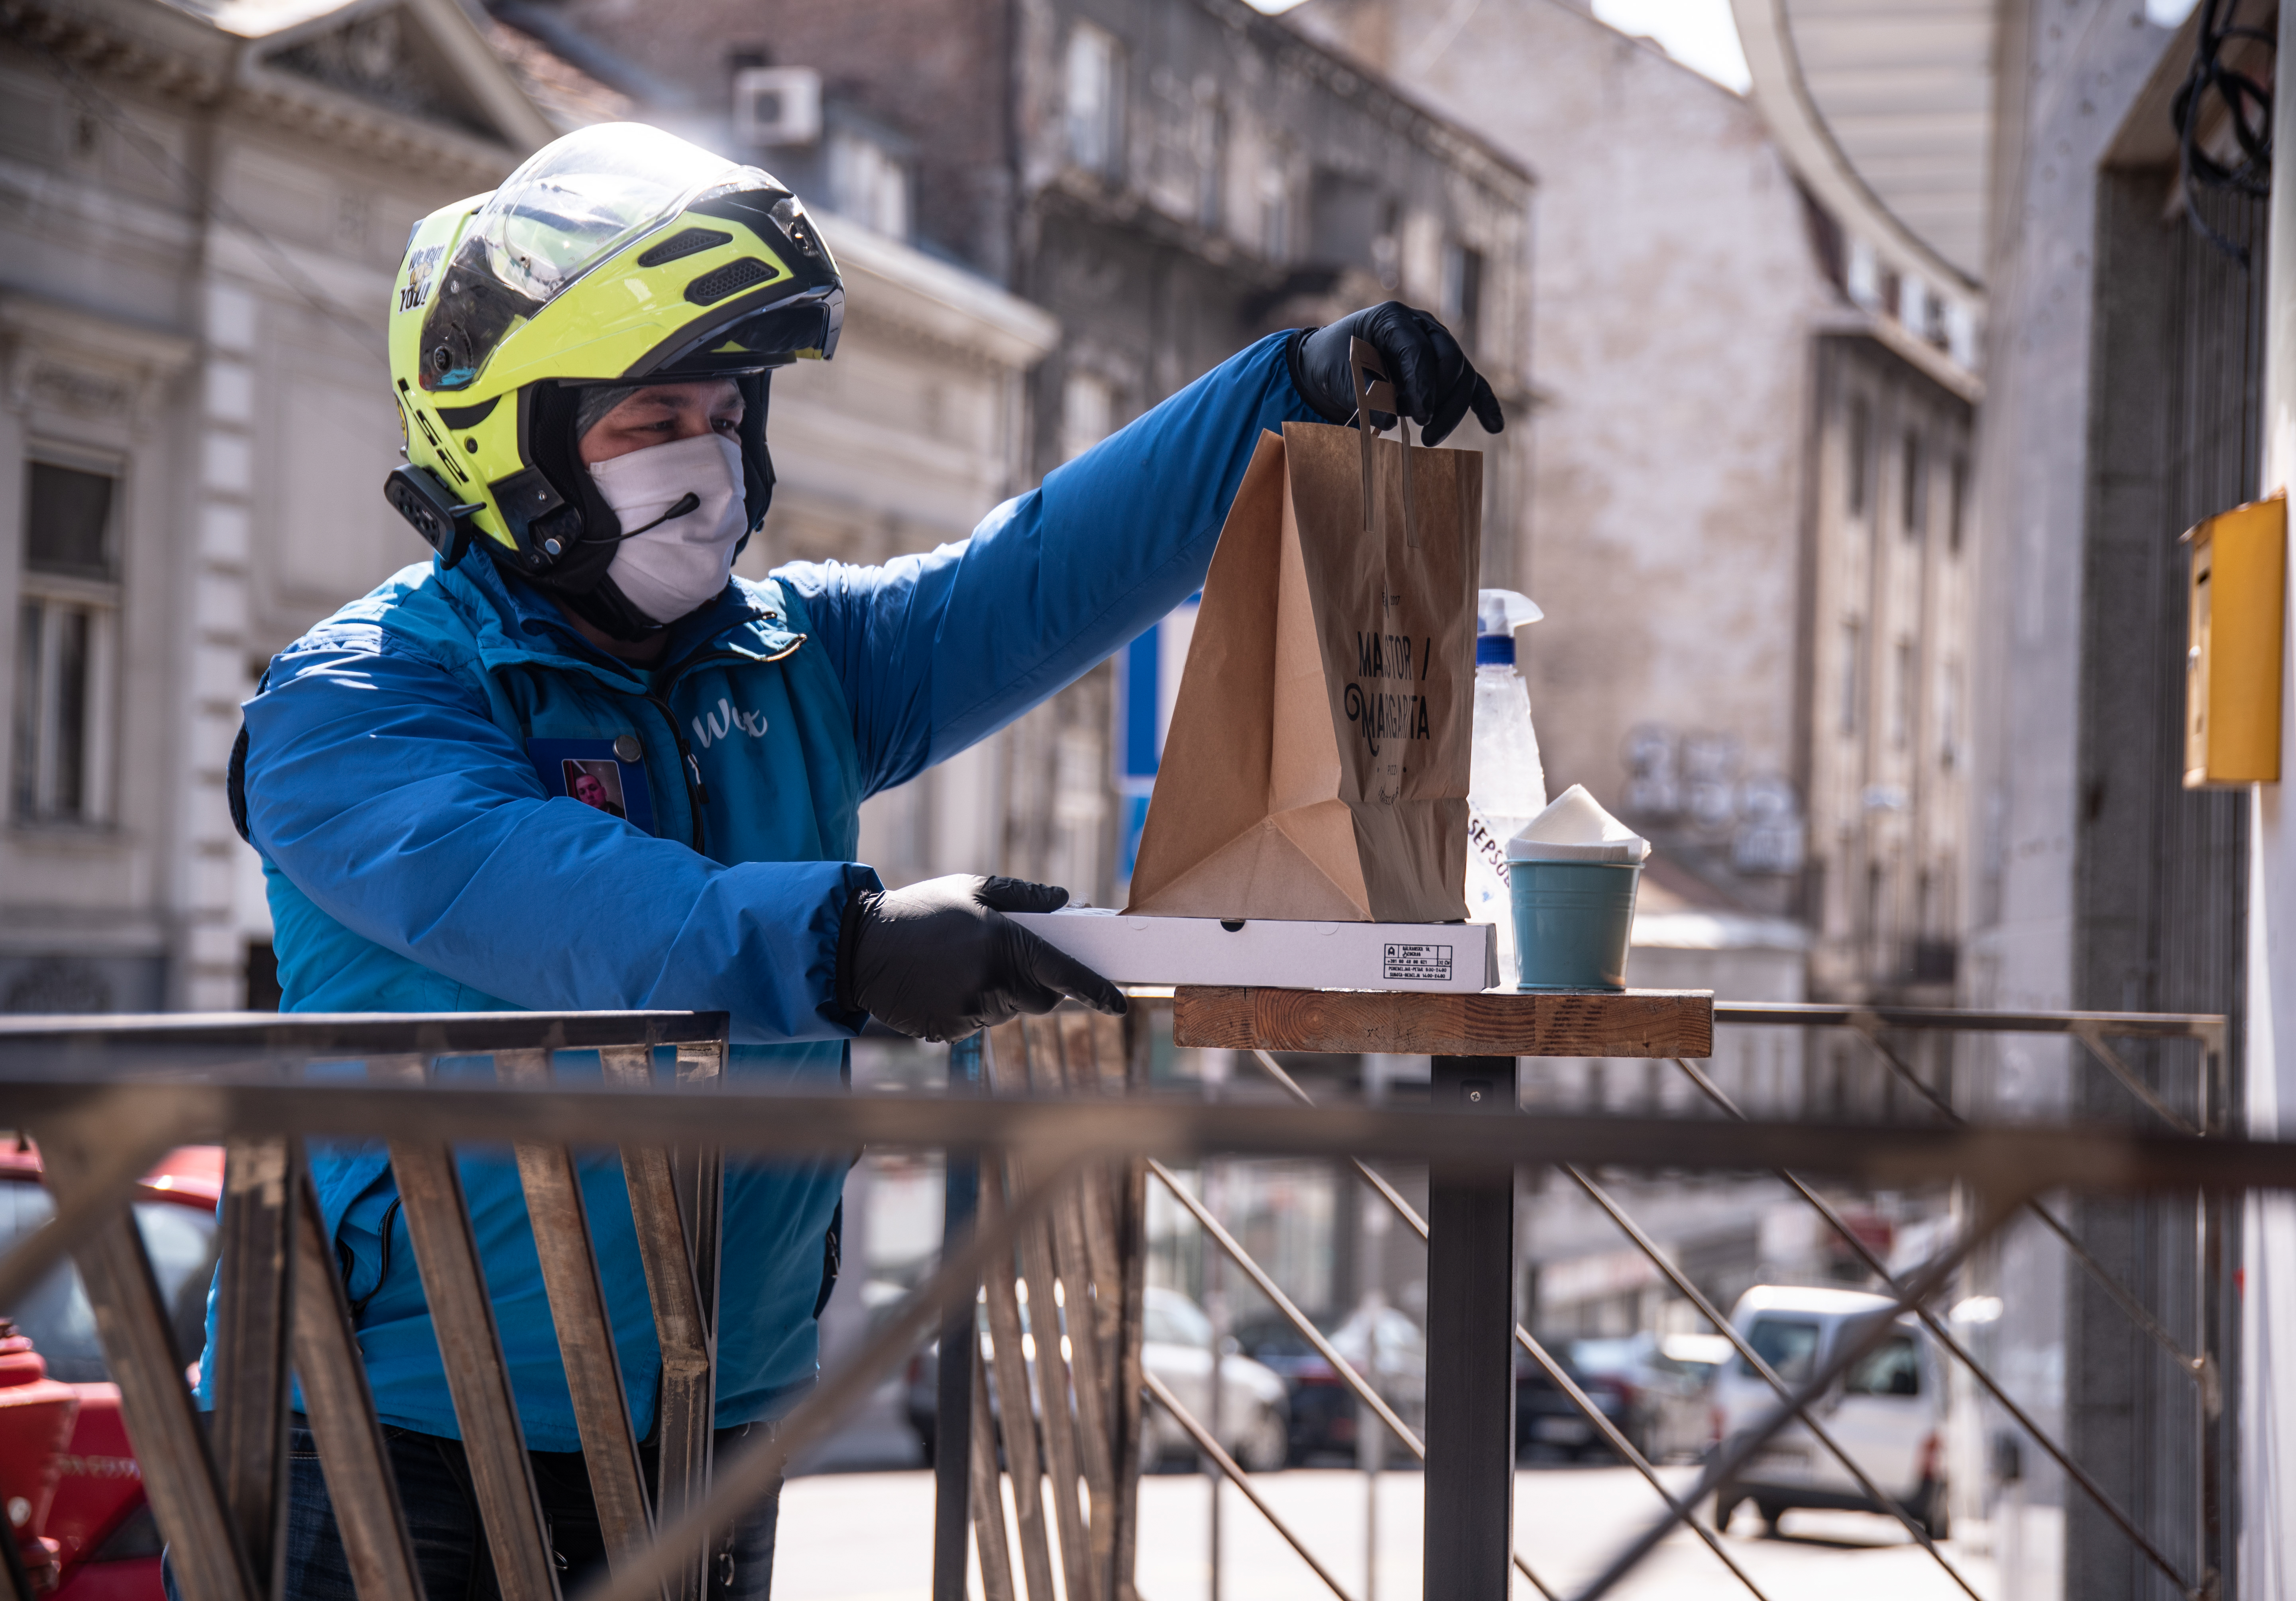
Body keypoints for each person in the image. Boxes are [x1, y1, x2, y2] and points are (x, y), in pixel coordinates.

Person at [201, 122, 1502, 1598]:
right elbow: (555, 899)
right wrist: (858, 945)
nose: (707, 457)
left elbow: (1032, 576)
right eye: (650, 419)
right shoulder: (360, 695)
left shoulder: (791, 656)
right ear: (508, 441)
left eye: (725, 412)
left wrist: (1292, 390)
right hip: (383, 1426)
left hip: (712, 1414)